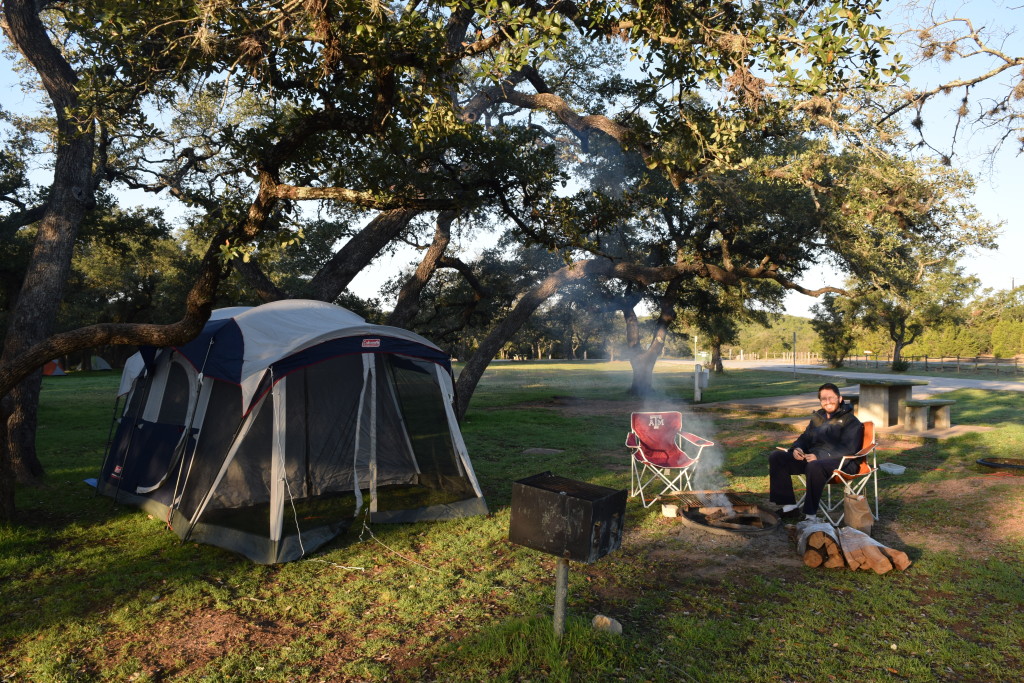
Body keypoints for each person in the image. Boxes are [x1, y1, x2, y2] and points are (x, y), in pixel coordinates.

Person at [768, 383, 864, 520]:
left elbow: (849, 449)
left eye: (831, 398)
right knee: (777, 457)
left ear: (840, 398)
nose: (828, 402)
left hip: (843, 462)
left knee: (814, 465)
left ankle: (810, 515)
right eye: (823, 399)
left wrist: (819, 456)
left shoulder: (851, 421)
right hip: (814, 459)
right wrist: (797, 448)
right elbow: (805, 437)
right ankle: (789, 508)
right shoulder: (818, 417)